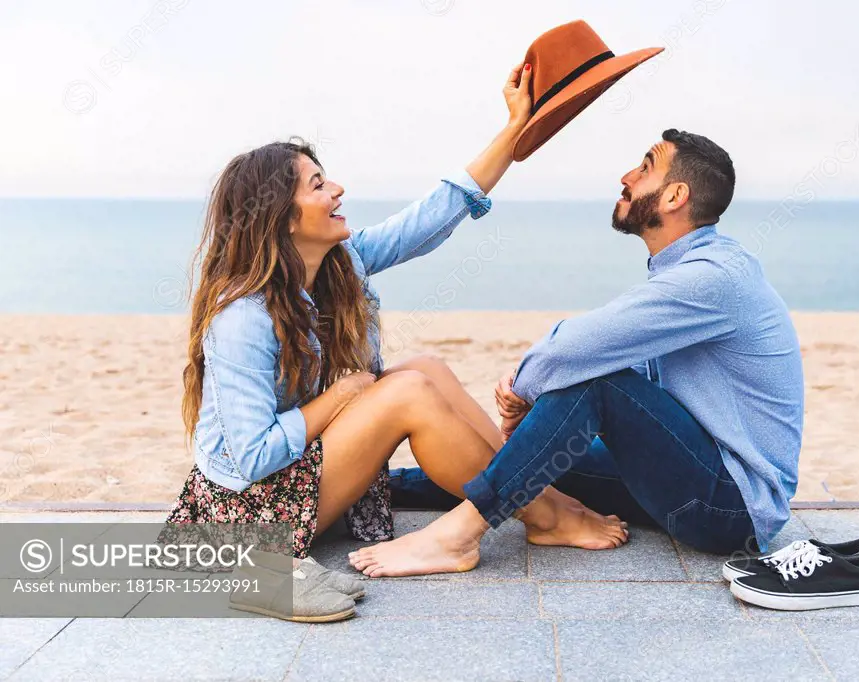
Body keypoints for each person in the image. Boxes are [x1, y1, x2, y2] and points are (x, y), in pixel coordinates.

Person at [164, 62, 627, 620]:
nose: (337, 189)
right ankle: (544, 514)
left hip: (300, 482)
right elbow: (253, 457)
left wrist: (513, 130)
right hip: (247, 514)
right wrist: (340, 397)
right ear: (281, 218)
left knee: (425, 369)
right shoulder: (244, 317)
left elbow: (431, 217)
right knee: (408, 394)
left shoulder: (339, 265)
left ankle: (544, 503)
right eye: (318, 185)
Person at [350, 129, 805, 578]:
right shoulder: (690, 269)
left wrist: (526, 393)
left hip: (729, 507)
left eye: (645, 168)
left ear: (675, 196)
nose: (626, 177)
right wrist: (534, 411)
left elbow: (575, 348)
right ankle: (379, 492)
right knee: (540, 462)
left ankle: (458, 536)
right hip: (693, 475)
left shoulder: (713, 277)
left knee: (595, 381)